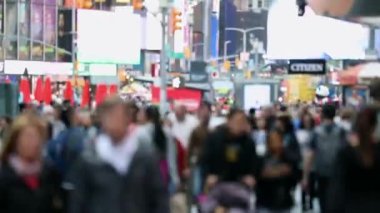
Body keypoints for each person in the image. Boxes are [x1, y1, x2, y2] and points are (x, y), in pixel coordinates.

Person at [68, 96, 168, 213]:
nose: (114, 122)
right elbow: (78, 201)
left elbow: (158, 199)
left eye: (118, 116)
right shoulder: (89, 159)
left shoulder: (144, 157)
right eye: (109, 116)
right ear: (102, 120)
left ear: (127, 119)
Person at [0, 113, 61, 213]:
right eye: (27, 137)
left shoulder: (49, 173)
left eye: (36, 137)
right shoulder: (4, 176)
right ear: (15, 141)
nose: (33, 142)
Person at [328, 107, 380, 212]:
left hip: (351, 206)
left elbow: (337, 188)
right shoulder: (377, 151)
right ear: (375, 126)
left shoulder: (346, 153)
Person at [303, 104, 346, 213]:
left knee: (323, 202)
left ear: (322, 114)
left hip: (321, 172)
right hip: (338, 174)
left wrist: (305, 177)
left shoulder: (316, 132)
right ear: (335, 114)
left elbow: (309, 155)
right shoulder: (341, 132)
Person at [201, 108, 258, 191]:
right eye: (237, 122)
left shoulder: (248, 142)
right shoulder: (214, 138)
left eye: (243, 122)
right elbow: (205, 160)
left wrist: (251, 176)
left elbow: (253, 163)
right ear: (229, 122)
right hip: (216, 182)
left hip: (240, 183)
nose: (240, 125)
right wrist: (208, 175)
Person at [256, 130, 299, 213]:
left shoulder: (288, 158)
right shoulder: (262, 159)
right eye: (272, 140)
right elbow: (259, 175)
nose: (275, 143)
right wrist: (277, 172)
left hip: (283, 201)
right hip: (265, 201)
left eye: (277, 140)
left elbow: (294, 175)